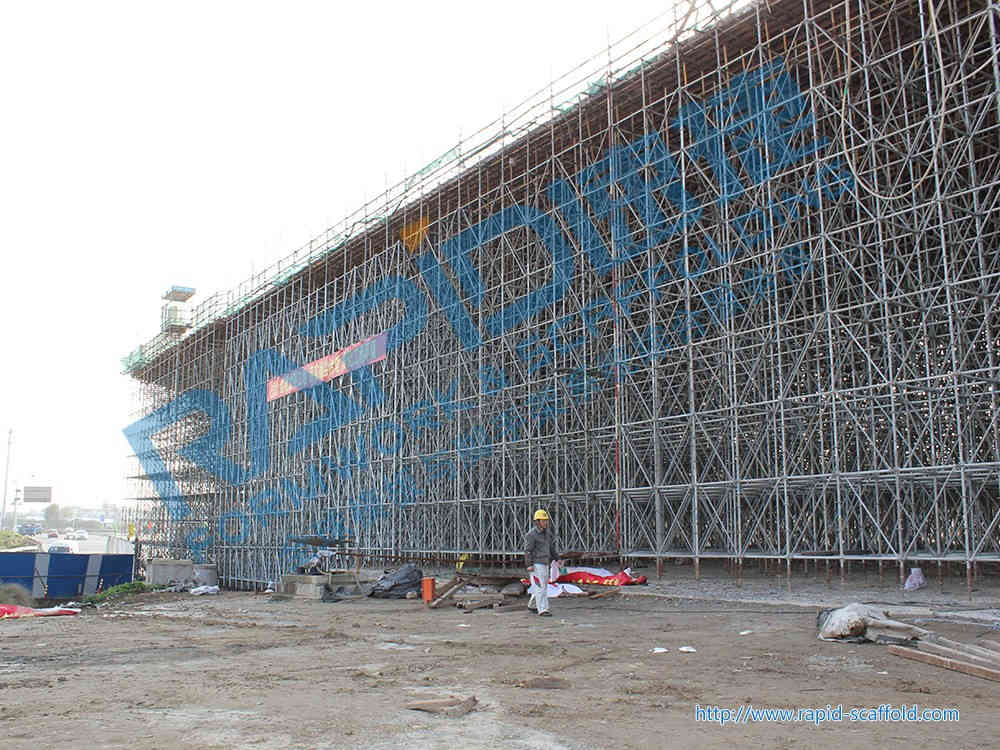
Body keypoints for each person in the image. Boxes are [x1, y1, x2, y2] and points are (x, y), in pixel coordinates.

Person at [524, 508, 559, 617]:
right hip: (536, 564)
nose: (546, 523)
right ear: (537, 522)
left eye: (546, 520)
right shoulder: (531, 535)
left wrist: (557, 558)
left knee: (541, 586)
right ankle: (543, 610)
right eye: (543, 521)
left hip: (545, 563)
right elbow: (528, 551)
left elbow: (551, 548)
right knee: (540, 587)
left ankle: (532, 605)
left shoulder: (547, 534)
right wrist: (529, 565)